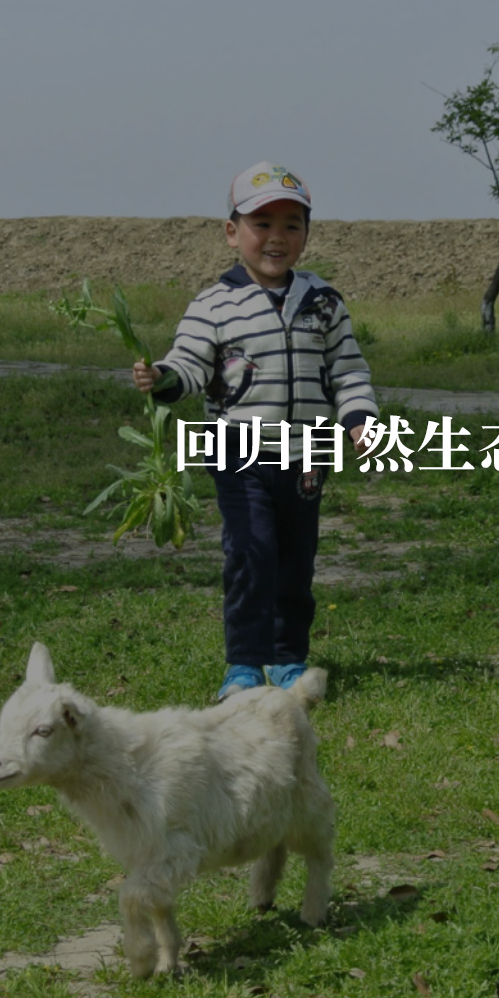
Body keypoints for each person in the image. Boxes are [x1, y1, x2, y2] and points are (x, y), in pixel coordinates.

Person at [132, 162, 377, 699]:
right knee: (251, 551)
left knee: (295, 558)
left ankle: (289, 659)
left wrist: (359, 419)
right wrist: (165, 380)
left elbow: (349, 370)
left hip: (310, 453)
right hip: (238, 451)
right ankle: (244, 664)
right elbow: (190, 364)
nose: (277, 237)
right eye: (261, 223)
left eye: (292, 224)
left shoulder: (324, 302)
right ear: (232, 231)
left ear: (308, 234)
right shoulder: (213, 304)